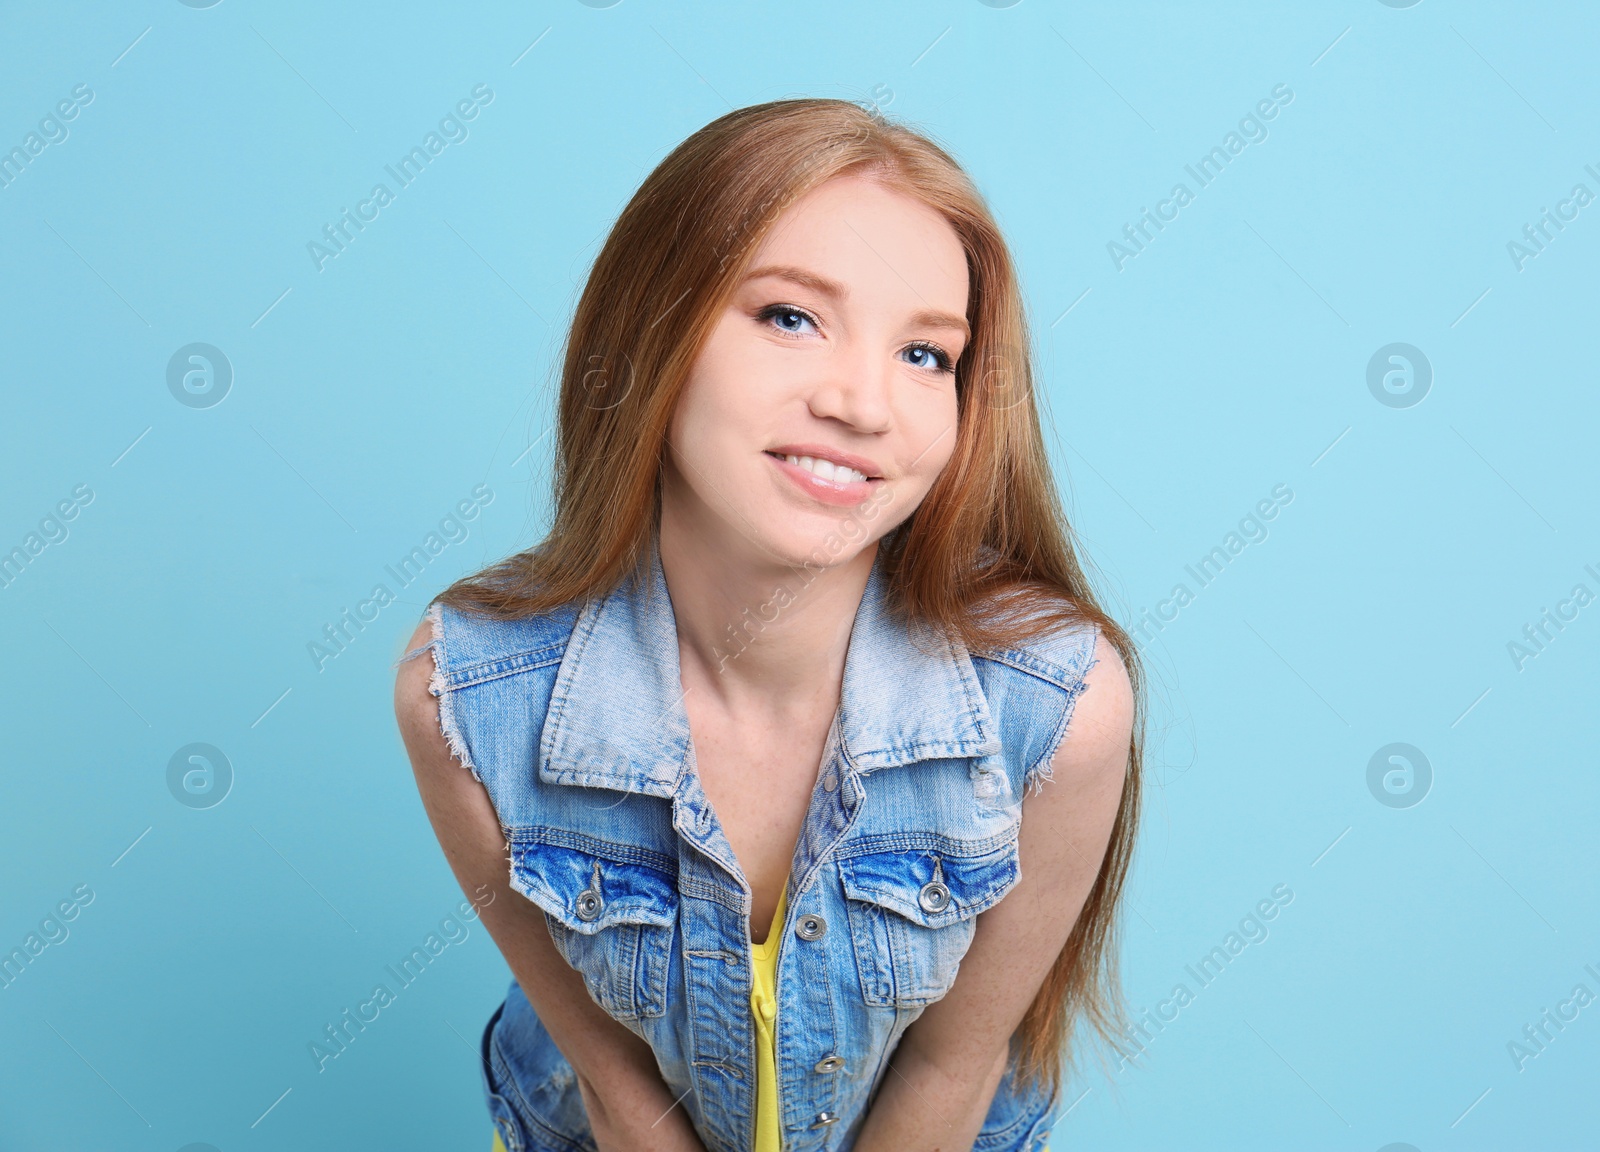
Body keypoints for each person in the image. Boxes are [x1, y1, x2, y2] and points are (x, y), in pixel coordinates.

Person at [394, 96, 1142, 1152]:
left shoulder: (1056, 705)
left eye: (927, 354)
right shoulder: (470, 699)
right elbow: (617, 1095)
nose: (863, 404)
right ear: (650, 329)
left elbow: (952, 1067)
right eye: (790, 317)